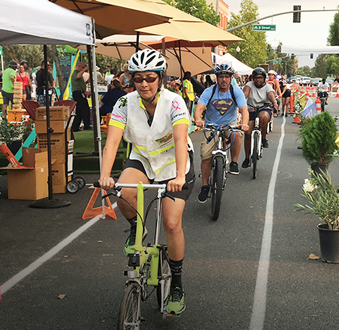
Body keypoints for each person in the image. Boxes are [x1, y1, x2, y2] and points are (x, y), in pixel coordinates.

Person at [99, 49, 194, 316]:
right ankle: (136, 229)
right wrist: (106, 176)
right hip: (142, 158)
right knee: (122, 193)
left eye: (150, 78)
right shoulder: (124, 103)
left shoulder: (175, 102)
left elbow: (179, 140)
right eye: (137, 79)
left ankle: (176, 284)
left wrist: (178, 177)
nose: (144, 84)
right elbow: (113, 142)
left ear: (161, 78)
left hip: (174, 165)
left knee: (171, 223)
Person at [193, 64, 249, 202]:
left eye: (226, 77)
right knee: (205, 155)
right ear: (216, 78)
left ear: (231, 78)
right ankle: (205, 186)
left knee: (236, 135)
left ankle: (234, 163)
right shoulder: (209, 91)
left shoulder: (236, 91)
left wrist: (245, 123)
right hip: (211, 126)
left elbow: (244, 110)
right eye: (221, 77)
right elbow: (199, 108)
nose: (224, 80)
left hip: (229, 124)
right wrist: (199, 119)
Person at [242, 67, 279, 168]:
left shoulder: (267, 87)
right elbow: (245, 94)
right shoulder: (249, 85)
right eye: (256, 78)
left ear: (264, 78)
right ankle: (246, 158)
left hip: (264, 108)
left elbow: (271, 95)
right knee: (248, 133)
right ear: (253, 78)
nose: (258, 80)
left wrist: (274, 103)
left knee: (263, 117)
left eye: (261, 78)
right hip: (251, 109)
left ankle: (263, 138)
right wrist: (240, 103)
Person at [71, 62, 91, 131]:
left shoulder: (79, 73)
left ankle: (75, 127)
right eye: (82, 67)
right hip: (78, 93)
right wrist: (85, 69)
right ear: (79, 66)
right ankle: (86, 125)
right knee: (85, 109)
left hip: (81, 93)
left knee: (79, 111)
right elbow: (78, 76)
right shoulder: (75, 73)